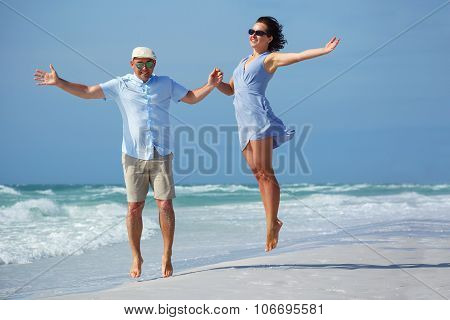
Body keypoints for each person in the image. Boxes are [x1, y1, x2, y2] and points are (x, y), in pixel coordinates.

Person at [34, 47, 223, 278]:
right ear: (131, 64)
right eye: (140, 64)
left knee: (165, 205)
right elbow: (87, 91)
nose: (145, 68)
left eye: (149, 64)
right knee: (135, 207)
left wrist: (211, 85)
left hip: (161, 154)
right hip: (133, 156)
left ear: (155, 64)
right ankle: (136, 255)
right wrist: (59, 82)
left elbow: (192, 97)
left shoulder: (166, 84)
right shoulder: (120, 85)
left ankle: (167, 254)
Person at [216, 17, 340, 252]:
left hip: (259, 121)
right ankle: (272, 220)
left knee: (266, 172)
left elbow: (298, 56)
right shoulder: (242, 61)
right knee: (256, 173)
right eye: (251, 31)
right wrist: (216, 83)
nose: (253, 35)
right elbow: (231, 90)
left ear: (269, 38)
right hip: (243, 124)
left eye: (259, 33)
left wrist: (323, 51)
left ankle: (272, 223)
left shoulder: (268, 59)